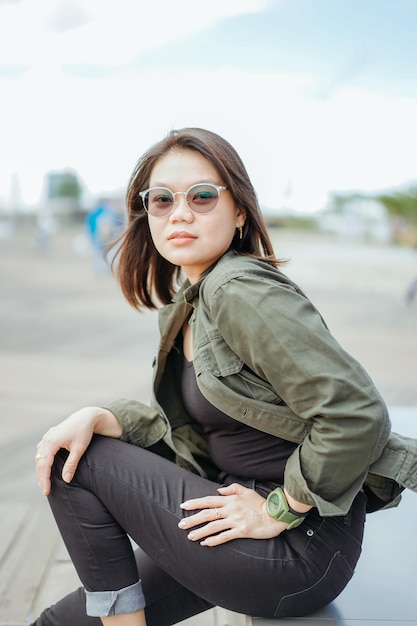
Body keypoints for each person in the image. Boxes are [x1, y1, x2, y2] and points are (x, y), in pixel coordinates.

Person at [33, 128, 416, 626]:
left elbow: (356, 412)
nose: (181, 213)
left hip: (297, 544)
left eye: (203, 196)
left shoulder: (239, 290)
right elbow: (202, 421)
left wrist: (280, 508)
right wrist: (100, 414)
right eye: (162, 200)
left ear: (239, 212)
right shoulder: (190, 306)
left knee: (71, 457)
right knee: (60, 623)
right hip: (233, 518)